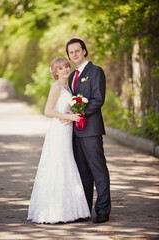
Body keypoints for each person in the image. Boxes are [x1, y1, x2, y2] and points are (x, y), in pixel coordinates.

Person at [27, 57, 90, 224]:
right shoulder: (56, 87)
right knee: (58, 164)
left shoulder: (67, 86)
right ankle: (54, 212)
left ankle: (70, 210)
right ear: (55, 72)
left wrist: (69, 114)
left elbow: (62, 108)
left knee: (67, 163)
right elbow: (48, 110)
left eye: (66, 66)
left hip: (66, 129)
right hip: (58, 130)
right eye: (60, 68)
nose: (65, 70)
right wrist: (68, 116)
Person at [66, 38, 111, 223]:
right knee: (82, 172)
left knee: (97, 169)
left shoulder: (96, 71)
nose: (74, 54)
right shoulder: (71, 76)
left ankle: (102, 210)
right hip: (75, 131)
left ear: (84, 51)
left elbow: (98, 99)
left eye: (77, 50)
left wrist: (79, 111)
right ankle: (84, 209)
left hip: (91, 129)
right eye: (71, 52)